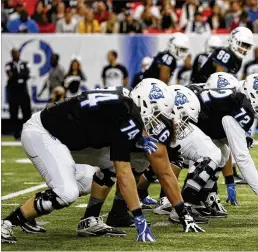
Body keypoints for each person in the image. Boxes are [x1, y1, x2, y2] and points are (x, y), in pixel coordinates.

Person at [0, 81, 176, 243]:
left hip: (68, 139)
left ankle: (89, 220)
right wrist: (138, 217)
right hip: (43, 133)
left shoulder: (124, 107)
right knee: (67, 193)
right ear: (143, 102)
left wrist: (136, 137)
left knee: (87, 180)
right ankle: (6, 223)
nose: (157, 120)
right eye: (156, 112)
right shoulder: (127, 114)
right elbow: (124, 173)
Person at [71, 81, 204, 235]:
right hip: (73, 141)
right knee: (77, 185)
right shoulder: (125, 109)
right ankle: (86, 215)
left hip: (92, 141)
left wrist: (183, 213)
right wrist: (183, 213)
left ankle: (118, 212)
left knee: (139, 159)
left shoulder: (138, 104)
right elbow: (164, 172)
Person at [182, 73, 258, 218]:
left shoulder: (238, 96)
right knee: (213, 155)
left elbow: (217, 126)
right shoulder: (241, 108)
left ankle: (200, 200)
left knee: (222, 153)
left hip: (194, 122)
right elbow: (242, 157)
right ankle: (184, 205)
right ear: (254, 95)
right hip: (181, 122)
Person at [5, 48, 32, 140]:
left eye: (16, 52)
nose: (15, 54)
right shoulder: (8, 65)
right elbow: (10, 75)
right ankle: (16, 133)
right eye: (13, 53)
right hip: (14, 92)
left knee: (26, 112)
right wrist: (21, 76)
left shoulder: (25, 63)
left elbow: (27, 74)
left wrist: (17, 76)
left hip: (23, 91)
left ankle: (27, 133)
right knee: (14, 113)